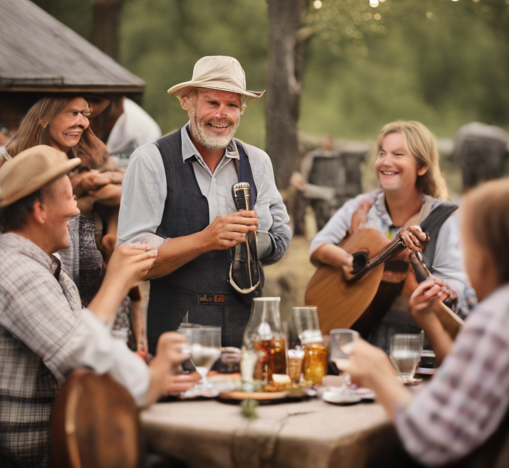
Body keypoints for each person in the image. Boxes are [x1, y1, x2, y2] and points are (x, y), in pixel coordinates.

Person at [0, 146, 198, 467]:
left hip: (69, 439)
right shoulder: (15, 271)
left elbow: (87, 341)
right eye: (69, 197)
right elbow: (78, 349)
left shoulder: (43, 266)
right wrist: (149, 380)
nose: (77, 211)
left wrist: (140, 368)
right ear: (40, 210)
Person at [118, 56, 291, 351]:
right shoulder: (151, 159)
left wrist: (246, 242)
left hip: (248, 325)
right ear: (187, 101)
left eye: (232, 105)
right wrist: (207, 239)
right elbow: (134, 258)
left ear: (241, 110)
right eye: (212, 103)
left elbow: (281, 240)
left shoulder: (258, 162)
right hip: (177, 328)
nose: (222, 114)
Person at [342, 178, 509, 467]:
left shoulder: (499, 316)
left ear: (485, 254)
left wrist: (377, 372)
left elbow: (432, 439)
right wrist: (429, 319)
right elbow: (466, 381)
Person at [310, 121, 470, 348]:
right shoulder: (360, 206)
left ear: (422, 166)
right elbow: (318, 246)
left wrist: (440, 289)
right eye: (382, 153)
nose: (386, 161)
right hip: (354, 327)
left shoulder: (441, 218)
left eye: (397, 154)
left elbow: (457, 281)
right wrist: (346, 260)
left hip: (415, 339)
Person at [1, 95, 142, 346]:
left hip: (81, 263)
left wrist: (106, 189)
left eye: (85, 115)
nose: (83, 123)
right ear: (44, 115)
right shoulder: (13, 161)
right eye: (72, 113)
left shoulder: (83, 156)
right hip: (45, 266)